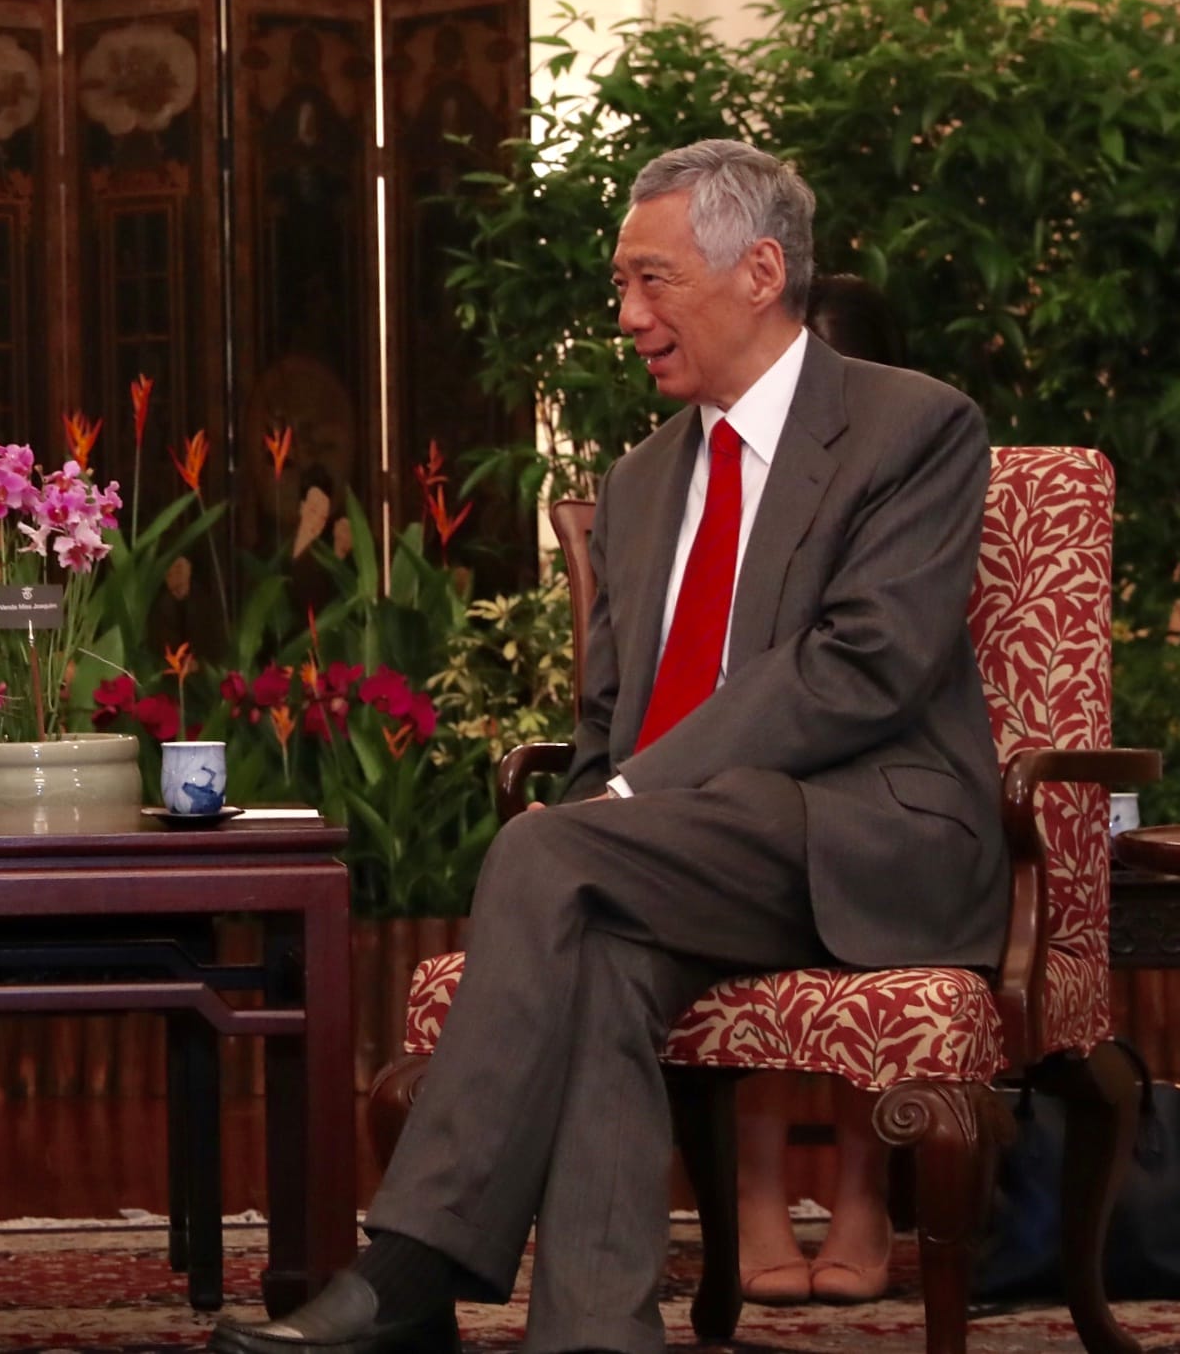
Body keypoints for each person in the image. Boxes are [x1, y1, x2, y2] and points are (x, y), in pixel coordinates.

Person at [211, 140, 1007, 1354]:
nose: (628, 315)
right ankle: (595, 1336)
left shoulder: (912, 426)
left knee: (549, 859)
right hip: (676, 857)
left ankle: (415, 1259)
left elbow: (869, 663)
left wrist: (626, 799)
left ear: (759, 271)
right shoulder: (639, 484)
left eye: (652, 279)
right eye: (621, 287)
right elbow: (604, 723)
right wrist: (611, 798)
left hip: (861, 836)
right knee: (594, 951)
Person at [732, 269, 906, 1307]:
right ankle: (755, 1197)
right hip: (746, 771)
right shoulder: (718, 477)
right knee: (750, 839)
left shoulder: (920, 463)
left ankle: (861, 1191)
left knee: (850, 852)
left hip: (880, 776)